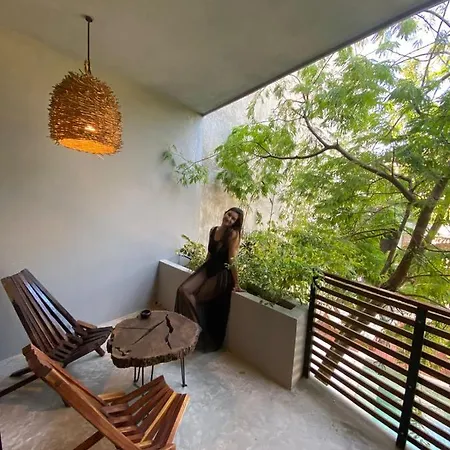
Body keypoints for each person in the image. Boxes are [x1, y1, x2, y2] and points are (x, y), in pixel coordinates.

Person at [175, 207, 244, 352]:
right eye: (229, 215)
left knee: (197, 297)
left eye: (233, 219)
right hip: (208, 267)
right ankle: (194, 330)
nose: (229, 219)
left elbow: (232, 259)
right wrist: (199, 273)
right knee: (182, 290)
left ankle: (195, 334)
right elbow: (210, 254)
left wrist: (237, 283)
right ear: (225, 213)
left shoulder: (232, 234)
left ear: (235, 223)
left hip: (221, 273)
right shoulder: (213, 230)